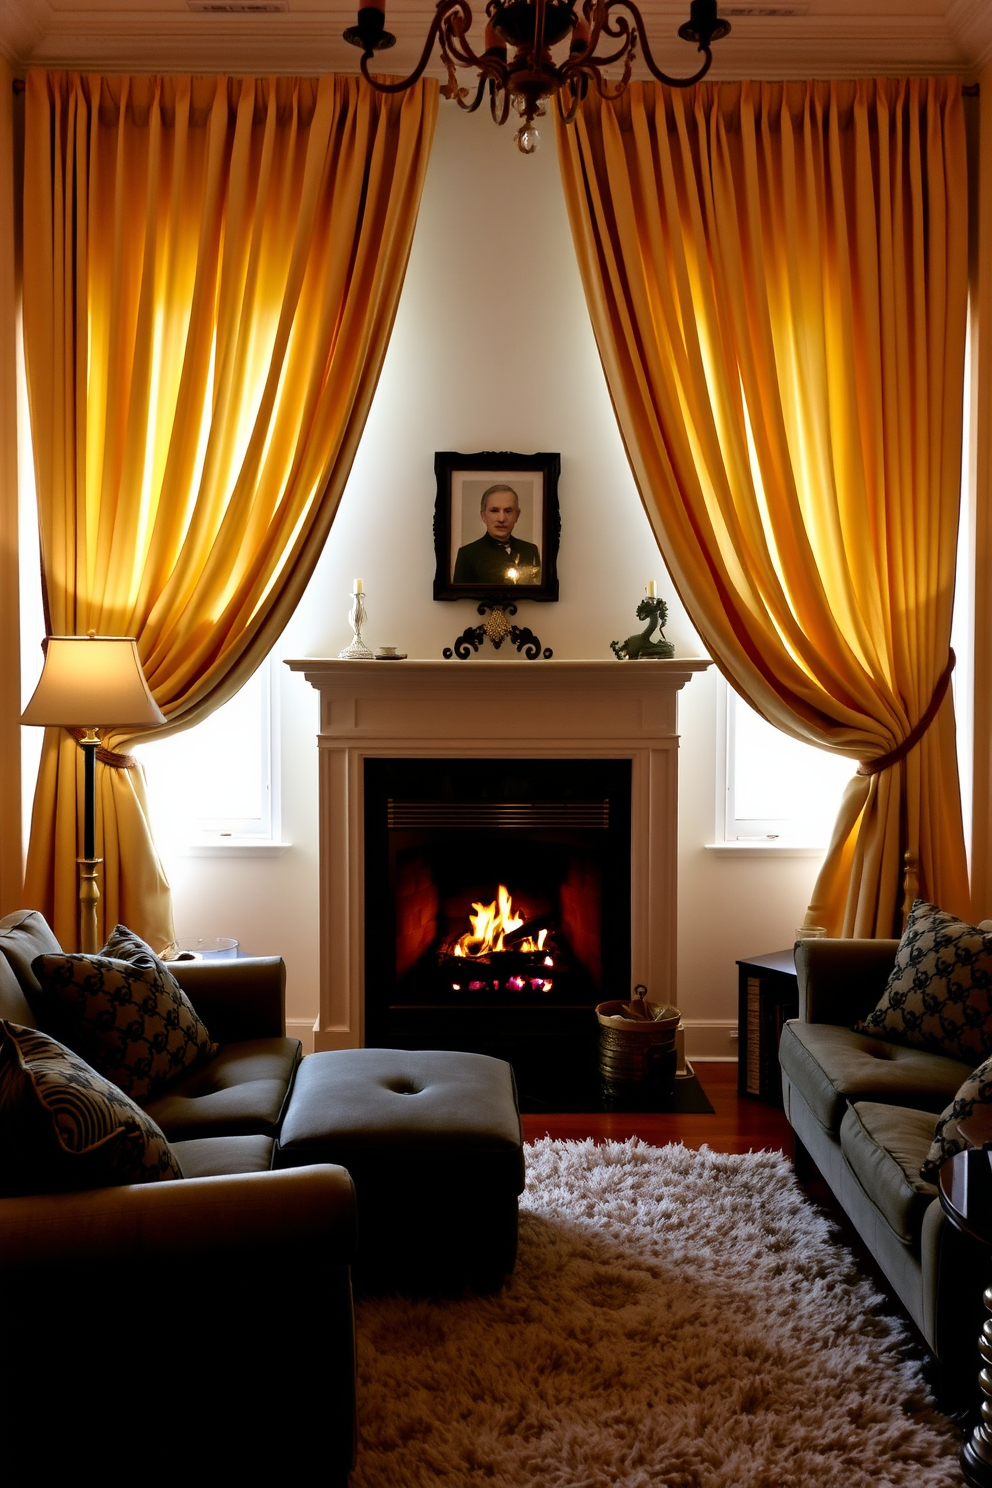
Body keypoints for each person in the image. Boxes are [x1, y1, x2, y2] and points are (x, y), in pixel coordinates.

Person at [452, 484, 541, 586]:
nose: (501, 519)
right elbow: (463, 599)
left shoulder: (530, 550)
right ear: (483, 515)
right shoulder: (467, 554)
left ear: (517, 515)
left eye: (508, 511)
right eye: (494, 511)